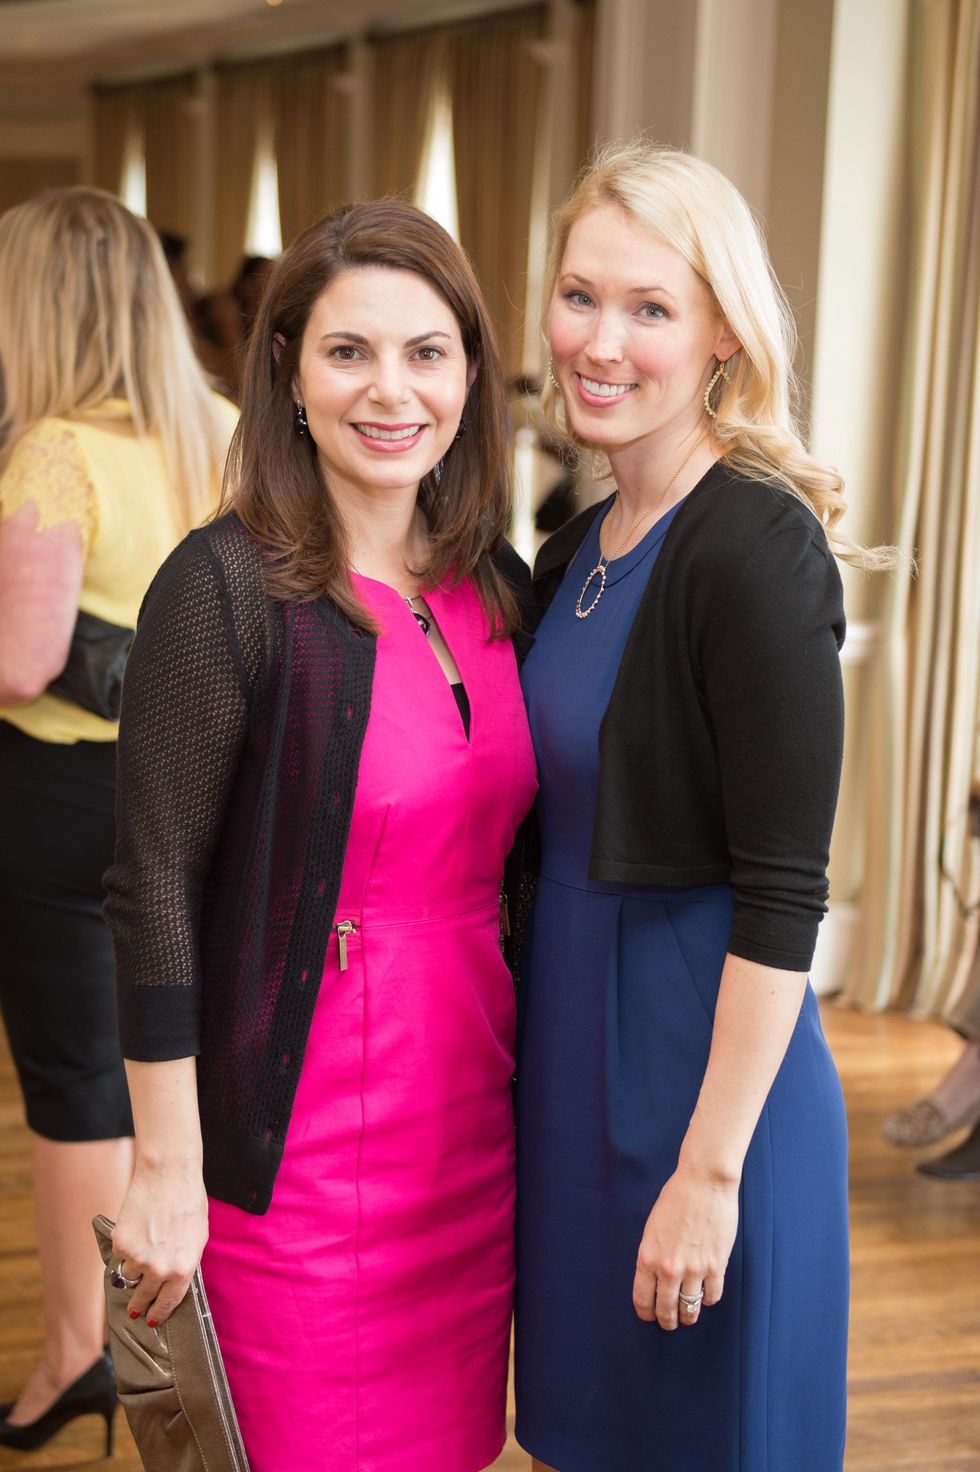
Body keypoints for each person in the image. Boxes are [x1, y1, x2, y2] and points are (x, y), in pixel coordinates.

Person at [103, 199, 537, 1472]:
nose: (390, 390)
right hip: (292, 1145)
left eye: (425, 351)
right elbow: (153, 883)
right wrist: (164, 1163)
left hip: (470, 1130)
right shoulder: (224, 583)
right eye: (349, 351)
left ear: (469, 372)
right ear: (288, 371)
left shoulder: (497, 580)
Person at [513, 143, 894, 1472]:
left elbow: (785, 891)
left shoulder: (753, 544)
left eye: (649, 308)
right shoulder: (573, 547)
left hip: (705, 1085)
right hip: (572, 1070)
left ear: (722, 331)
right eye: (578, 296)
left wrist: (710, 1170)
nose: (599, 342)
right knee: (585, 1438)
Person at [0, 187, 235, 1453]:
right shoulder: (233, 434)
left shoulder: (53, 448)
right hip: (205, 797)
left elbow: (21, 661)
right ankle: (195, 1337)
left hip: (65, 804)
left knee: (79, 1083)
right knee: (181, 1066)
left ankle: (78, 1354)